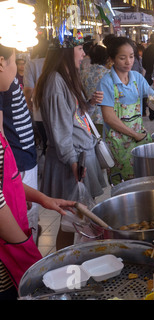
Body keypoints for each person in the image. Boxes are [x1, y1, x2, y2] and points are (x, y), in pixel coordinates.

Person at [0, 43, 76, 300]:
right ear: (1, 63)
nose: (17, 68)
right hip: (7, 249)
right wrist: (24, 248)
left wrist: (43, 198)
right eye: (14, 61)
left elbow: (7, 182)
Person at [34, 32, 107, 249]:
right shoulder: (55, 82)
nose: (84, 54)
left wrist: (89, 103)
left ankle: (78, 259)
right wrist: (73, 162)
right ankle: (66, 265)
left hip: (79, 155)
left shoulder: (65, 78)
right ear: (65, 53)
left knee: (78, 218)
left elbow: (73, 117)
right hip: (71, 160)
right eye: (79, 49)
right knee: (69, 221)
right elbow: (60, 131)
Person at [98, 37, 154, 183]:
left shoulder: (137, 78)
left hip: (138, 139)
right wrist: (134, 134)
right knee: (123, 185)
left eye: (132, 56)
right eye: (122, 58)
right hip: (118, 144)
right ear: (112, 59)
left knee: (143, 180)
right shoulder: (106, 82)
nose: (128, 62)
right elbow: (109, 117)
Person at [0, 75, 39, 243]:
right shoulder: (3, 82)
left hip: (22, 162)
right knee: (24, 228)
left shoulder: (7, 80)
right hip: (18, 163)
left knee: (29, 223)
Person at [23, 38, 49, 157]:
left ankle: (46, 169)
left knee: (45, 142)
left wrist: (29, 104)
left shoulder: (31, 63)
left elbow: (28, 89)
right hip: (56, 109)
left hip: (39, 111)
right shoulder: (53, 62)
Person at [80, 44, 110, 135]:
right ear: (106, 58)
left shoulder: (83, 73)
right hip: (105, 115)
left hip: (87, 114)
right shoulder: (109, 74)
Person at [142, 32, 154, 120]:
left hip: (149, 74)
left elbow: (143, 64)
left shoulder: (146, 50)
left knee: (150, 94)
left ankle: (151, 113)